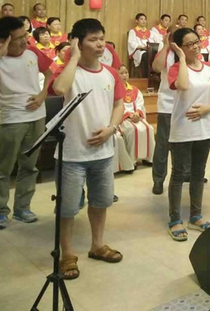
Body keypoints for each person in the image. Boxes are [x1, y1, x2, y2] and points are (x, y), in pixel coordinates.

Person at [48, 18, 125, 279]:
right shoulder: (69, 71)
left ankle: (97, 245)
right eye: (93, 39)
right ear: (78, 43)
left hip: (103, 153)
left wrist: (111, 129)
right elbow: (58, 88)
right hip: (72, 154)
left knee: (101, 202)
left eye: (102, 38)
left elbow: (119, 105)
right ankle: (67, 254)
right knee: (68, 208)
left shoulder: (111, 73)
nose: (100, 44)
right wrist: (73, 57)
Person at [0, 16, 53, 230]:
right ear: (5, 39)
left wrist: (43, 94)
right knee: (4, 167)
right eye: (18, 38)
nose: (25, 41)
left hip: (36, 116)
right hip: (12, 119)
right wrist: (0, 53)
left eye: (26, 35)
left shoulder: (33, 52)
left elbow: (50, 72)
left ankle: (22, 208)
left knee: (29, 165)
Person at [167, 28, 210, 240]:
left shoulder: (209, 68)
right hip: (182, 128)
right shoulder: (176, 68)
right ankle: (174, 219)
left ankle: (196, 216)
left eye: (196, 42)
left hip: (204, 128)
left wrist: (208, 109)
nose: (196, 46)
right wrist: (181, 58)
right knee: (179, 173)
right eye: (189, 44)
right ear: (180, 48)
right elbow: (182, 85)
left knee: (199, 173)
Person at [150, 28, 176, 195]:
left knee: (185, 145)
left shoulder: (189, 53)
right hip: (168, 104)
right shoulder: (166, 52)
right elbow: (156, 67)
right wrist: (166, 45)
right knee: (162, 145)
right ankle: (158, 180)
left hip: (187, 106)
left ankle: (185, 173)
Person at [117, 66, 155, 166]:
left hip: (137, 116)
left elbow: (140, 103)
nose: (125, 75)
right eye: (121, 73)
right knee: (132, 130)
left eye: (126, 72)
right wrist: (129, 115)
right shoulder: (115, 90)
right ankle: (132, 161)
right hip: (123, 118)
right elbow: (116, 106)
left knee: (149, 128)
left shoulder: (135, 90)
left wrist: (138, 113)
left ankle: (149, 158)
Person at [127, 13, 151, 78]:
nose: (144, 21)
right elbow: (131, 43)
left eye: (145, 19)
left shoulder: (149, 32)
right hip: (138, 51)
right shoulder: (133, 31)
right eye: (141, 19)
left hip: (148, 50)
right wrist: (142, 47)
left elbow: (153, 42)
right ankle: (145, 78)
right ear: (136, 21)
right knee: (146, 56)